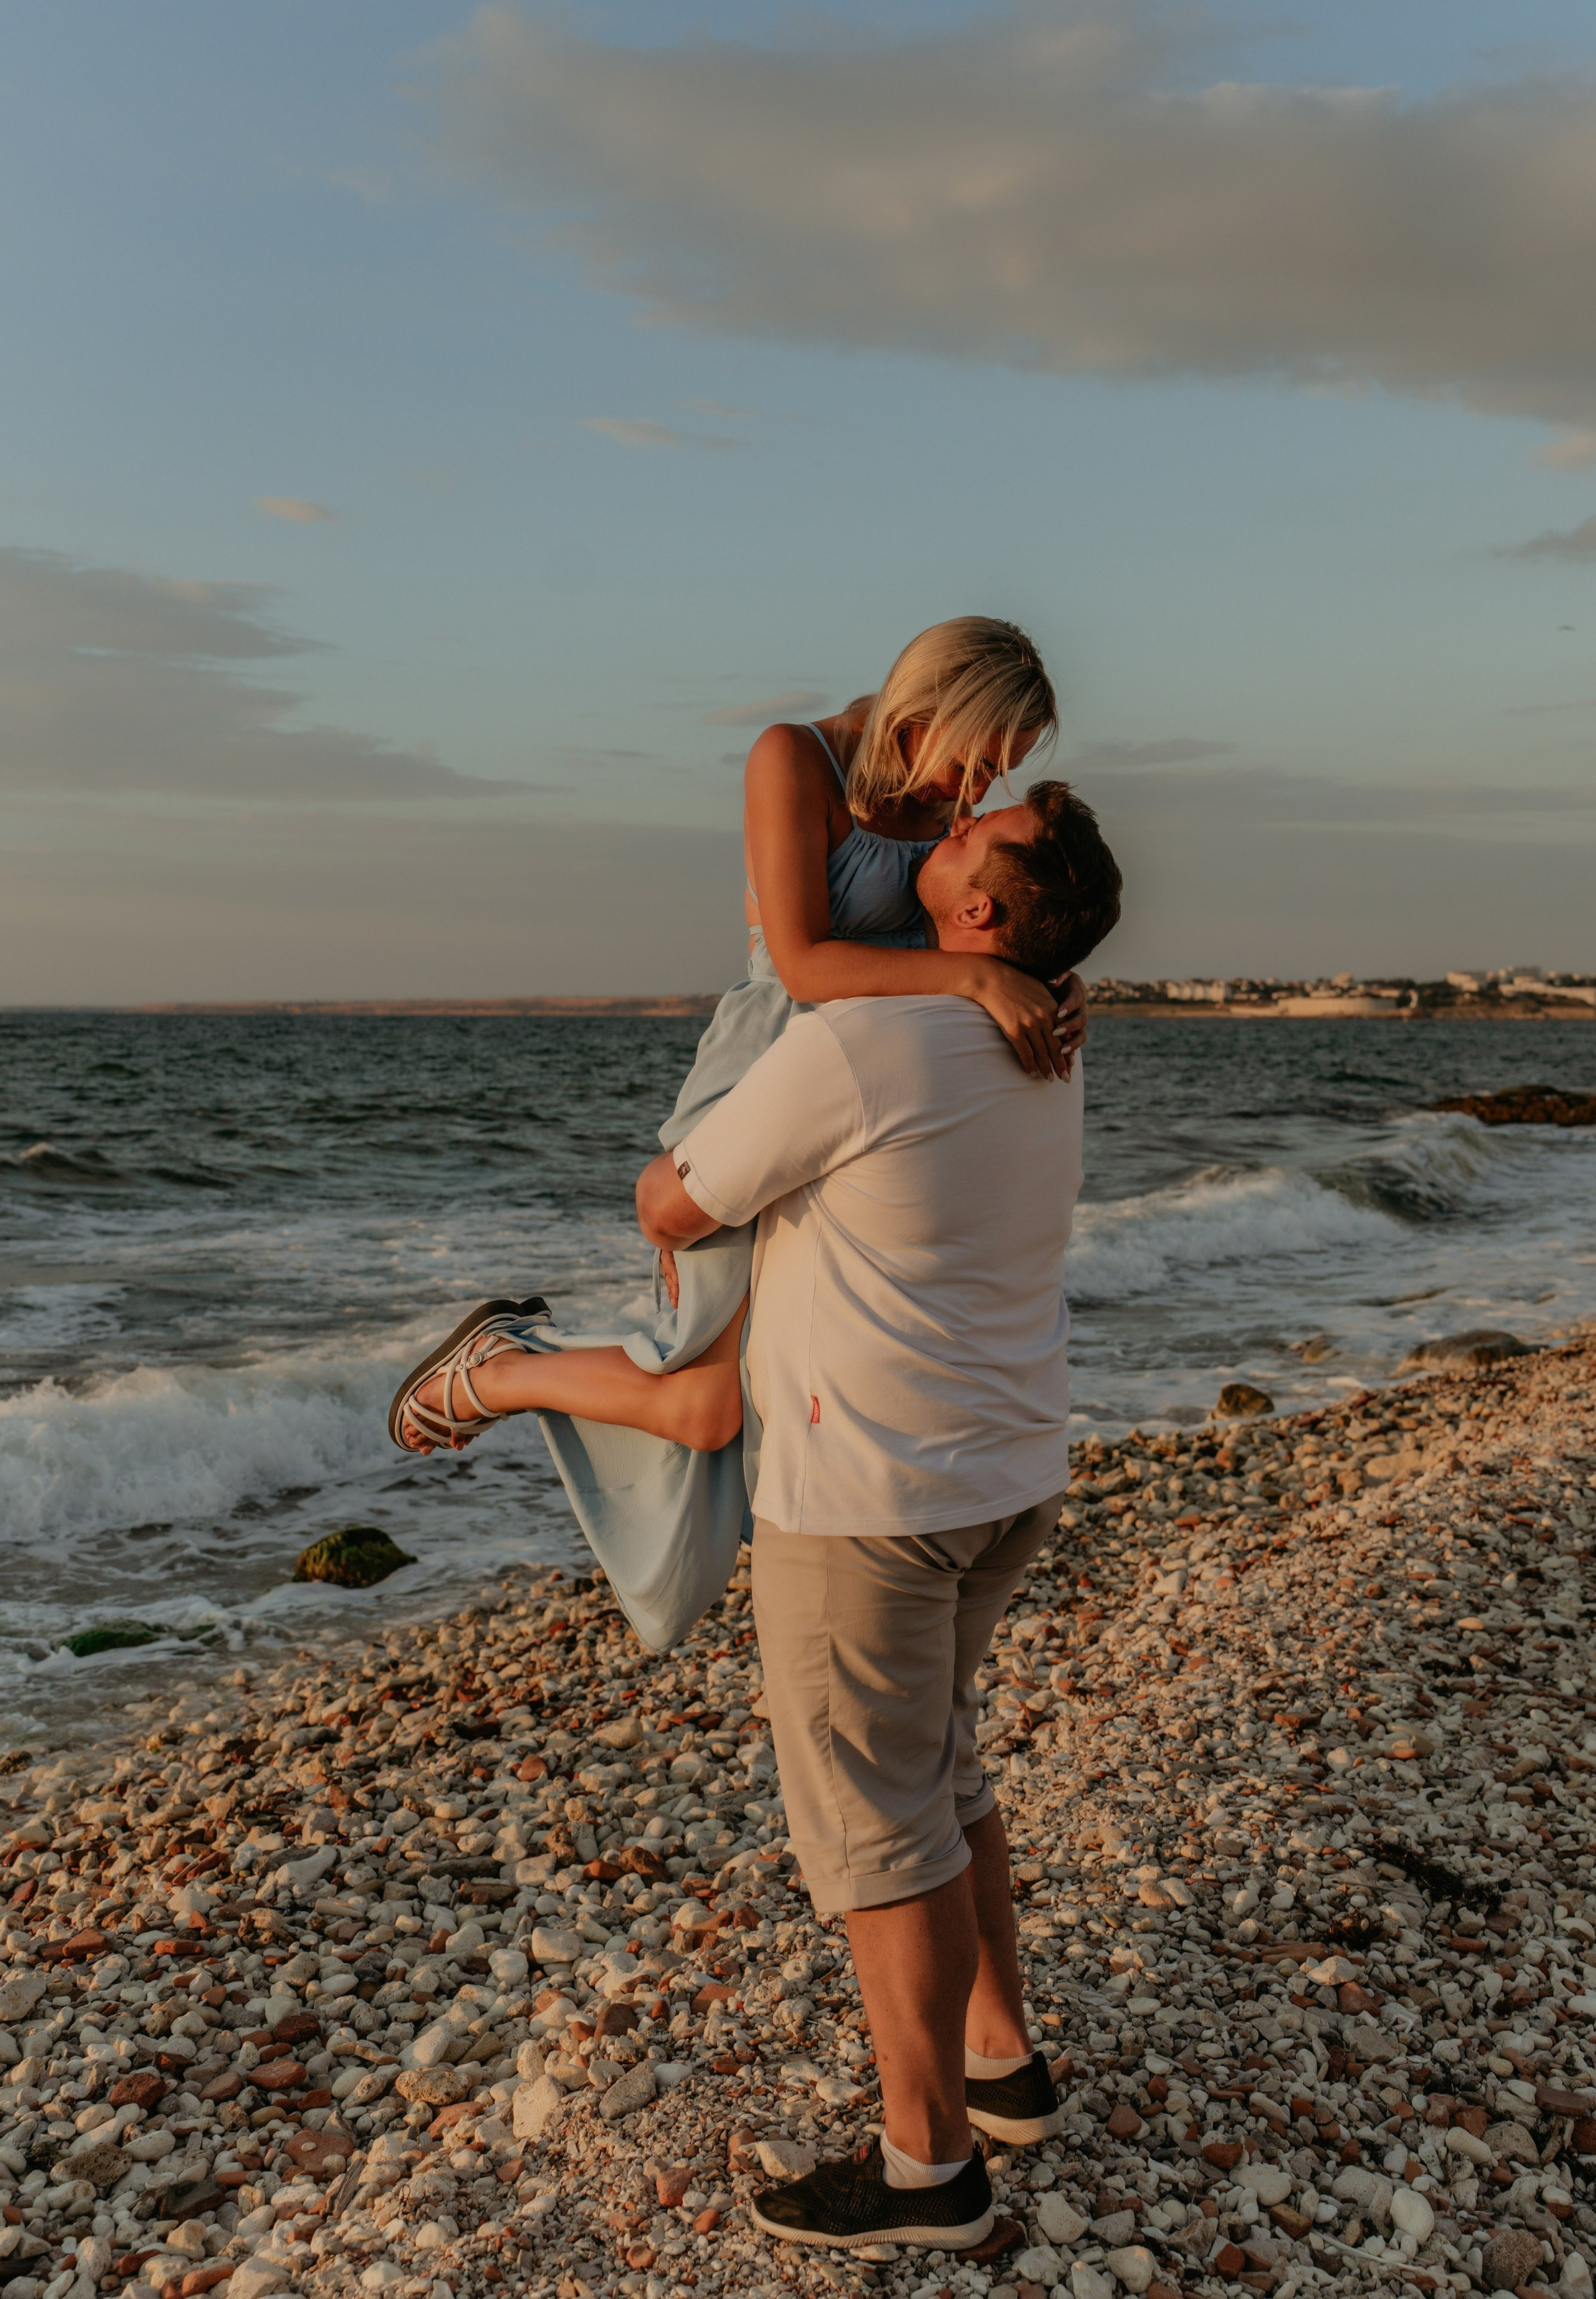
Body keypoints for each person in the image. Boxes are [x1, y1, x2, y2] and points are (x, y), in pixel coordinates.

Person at [624, 779, 1122, 2253]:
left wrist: (661, 1176)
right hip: (1002, 1476)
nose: (939, 829)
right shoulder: (1038, 1032)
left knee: (878, 1832)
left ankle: (929, 2172)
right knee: (940, 1771)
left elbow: (680, 1205)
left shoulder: (859, 1043)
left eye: (973, 836)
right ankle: (1002, 2064)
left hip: (871, 1501)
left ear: (975, 912)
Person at [388, 617, 1086, 1652]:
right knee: (707, 1407)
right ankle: (494, 1368)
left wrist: (1058, 983)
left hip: (857, 1127)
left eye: (1002, 772)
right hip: (761, 1092)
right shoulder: (793, 759)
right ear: (928, 707)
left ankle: (501, 1371)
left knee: (722, 1408)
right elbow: (804, 966)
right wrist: (978, 977)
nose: (977, 790)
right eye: (976, 758)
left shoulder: (948, 818)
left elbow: (997, 913)